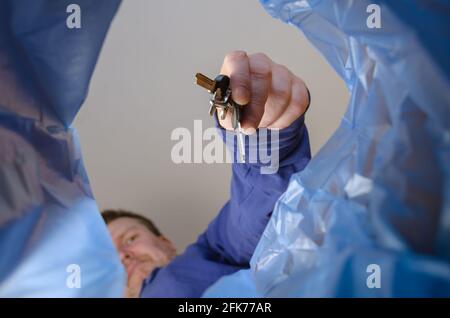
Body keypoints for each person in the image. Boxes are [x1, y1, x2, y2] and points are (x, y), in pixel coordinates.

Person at [102, 51, 312, 297]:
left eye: (130, 238)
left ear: (166, 243)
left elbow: (248, 218)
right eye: (105, 257)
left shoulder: (211, 253)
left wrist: (263, 137)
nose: (122, 255)